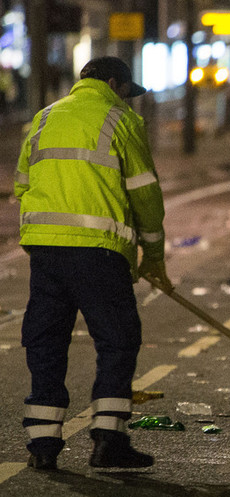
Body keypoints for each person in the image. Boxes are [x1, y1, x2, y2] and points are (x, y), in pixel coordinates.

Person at [14, 56, 171, 471]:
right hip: (98, 250)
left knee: (46, 342)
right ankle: (108, 440)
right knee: (118, 340)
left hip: (46, 249)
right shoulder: (122, 121)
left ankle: (42, 444)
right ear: (115, 84)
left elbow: (22, 184)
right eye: (127, 93)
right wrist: (154, 254)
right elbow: (145, 195)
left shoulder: (44, 117)